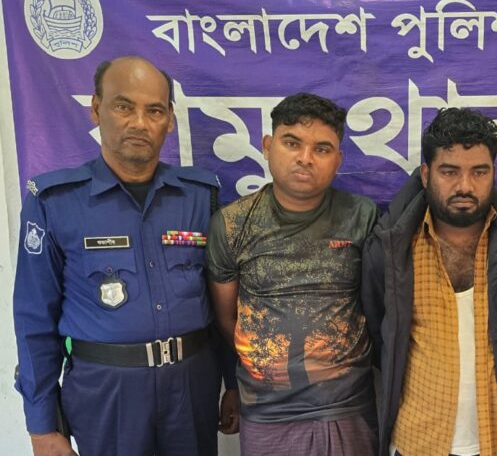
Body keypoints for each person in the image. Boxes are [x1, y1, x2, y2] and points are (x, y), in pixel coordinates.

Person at [13, 56, 238, 456]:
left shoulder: (200, 196)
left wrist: (234, 384)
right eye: (123, 106)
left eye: (154, 110)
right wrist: (41, 424)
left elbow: (222, 301)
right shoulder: (54, 202)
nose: (139, 122)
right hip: (107, 392)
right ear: (96, 108)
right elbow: (34, 320)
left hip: (191, 387)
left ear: (170, 120)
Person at [361, 107, 497, 456]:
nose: (465, 186)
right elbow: (381, 331)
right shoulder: (393, 247)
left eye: (479, 172)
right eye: (449, 172)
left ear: (493, 173)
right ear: (426, 174)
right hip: (417, 441)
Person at [206, 93, 378, 455]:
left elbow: (378, 308)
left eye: (322, 149)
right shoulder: (232, 223)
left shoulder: (361, 216)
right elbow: (226, 318)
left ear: (338, 159)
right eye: (292, 143)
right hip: (268, 413)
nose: (305, 158)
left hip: (346, 408)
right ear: (268, 146)